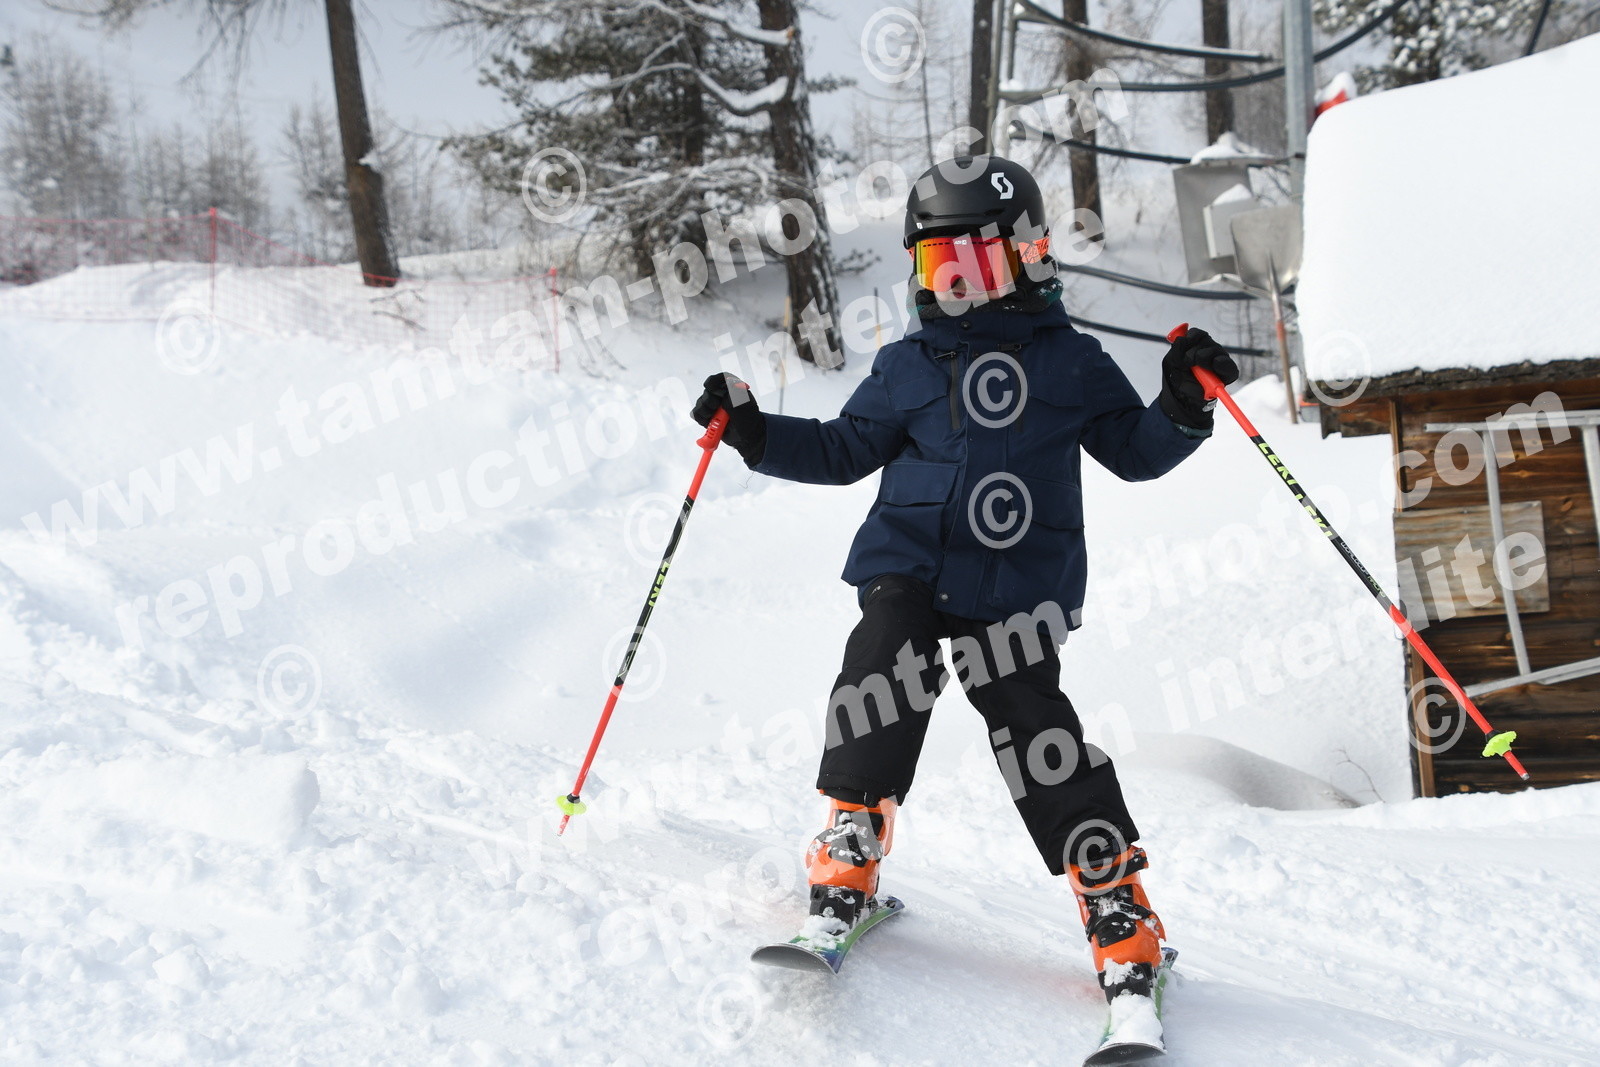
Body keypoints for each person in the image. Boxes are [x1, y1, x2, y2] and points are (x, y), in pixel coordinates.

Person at [691, 155, 1238, 1006]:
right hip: (909, 561)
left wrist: (1180, 405)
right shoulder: (907, 365)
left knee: (1033, 720)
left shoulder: (1072, 362)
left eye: (974, 264)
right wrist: (755, 432)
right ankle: (851, 840)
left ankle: (1115, 903)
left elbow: (1134, 452)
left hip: (1015, 586)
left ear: (1027, 256)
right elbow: (842, 449)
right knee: (884, 655)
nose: (955, 286)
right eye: (937, 265)